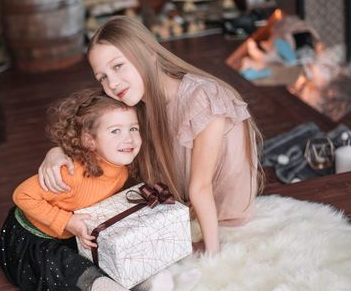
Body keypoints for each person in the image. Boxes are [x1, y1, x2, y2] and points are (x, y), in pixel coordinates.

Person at [38, 16, 264, 256]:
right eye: (102, 77)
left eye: (117, 66)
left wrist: (211, 252)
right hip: (179, 207)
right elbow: (87, 132)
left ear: (149, 54)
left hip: (220, 217)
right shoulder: (133, 103)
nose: (112, 83)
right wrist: (56, 152)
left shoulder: (203, 98)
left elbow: (201, 186)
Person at [0, 89, 198, 291]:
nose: (129, 138)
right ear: (89, 140)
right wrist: (66, 221)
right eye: (115, 131)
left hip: (78, 227)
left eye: (133, 128)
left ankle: (164, 288)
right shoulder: (69, 172)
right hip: (37, 238)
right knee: (80, 269)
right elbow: (23, 195)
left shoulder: (120, 167)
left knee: (111, 252)